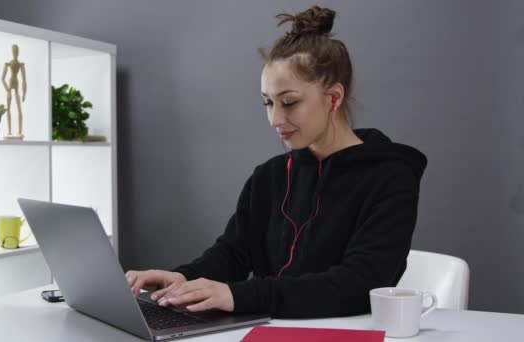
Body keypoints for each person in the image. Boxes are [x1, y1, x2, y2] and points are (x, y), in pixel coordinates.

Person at [126, 5, 427, 319]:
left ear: (334, 98)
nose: (274, 119)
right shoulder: (268, 177)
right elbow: (233, 254)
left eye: (289, 102)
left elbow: (359, 285)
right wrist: (182, 278)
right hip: (267, 330)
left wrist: (237, 295)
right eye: (268, 103)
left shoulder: (390, 177)